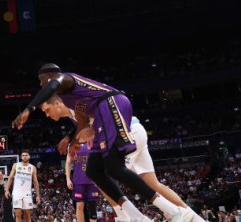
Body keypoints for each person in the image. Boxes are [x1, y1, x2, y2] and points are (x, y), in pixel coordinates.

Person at [13, 64, 196, 222]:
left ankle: (174, 211)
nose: (40, 85)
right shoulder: (71, 98)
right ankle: (137, 217)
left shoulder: (65, 79)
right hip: (102, 114)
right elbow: (83, 120)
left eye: (41, 81)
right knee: (93, 170)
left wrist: (29, 109)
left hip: (111, 104)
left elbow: (53, 84)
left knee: (114, 167)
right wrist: (73, 141)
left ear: (49, 76)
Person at [42, 97, 206, 222]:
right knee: (153, 183)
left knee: (101, 174)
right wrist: (74, 140)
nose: (47, 115)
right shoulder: (74, 115)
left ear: (58, 103)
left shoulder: (75, 104)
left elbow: (104, 116)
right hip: (134, 130)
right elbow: (88, 126)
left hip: (125, 133)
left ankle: (127, 217)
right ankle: (194, 218)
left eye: (47, 110)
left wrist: (84, 135)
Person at [66, 143, 100, 222]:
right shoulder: (73, 144)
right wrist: (68, 179)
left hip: (93, 180)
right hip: (78, 180)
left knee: (92, 206)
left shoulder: (94, 141)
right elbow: (68, 163)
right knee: (79, 206)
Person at [4, 152, 40, 222]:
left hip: (27, 193)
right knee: (18, 214)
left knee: (27, 214)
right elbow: (10, 177)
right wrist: (7, 190)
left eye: (26, 155)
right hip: (17, 193)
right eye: (23, 155)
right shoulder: (16, 165)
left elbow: (35, 182)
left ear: (29, 157)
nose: (24, 157)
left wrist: (38, 195)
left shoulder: (32, 167)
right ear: (21, 157)